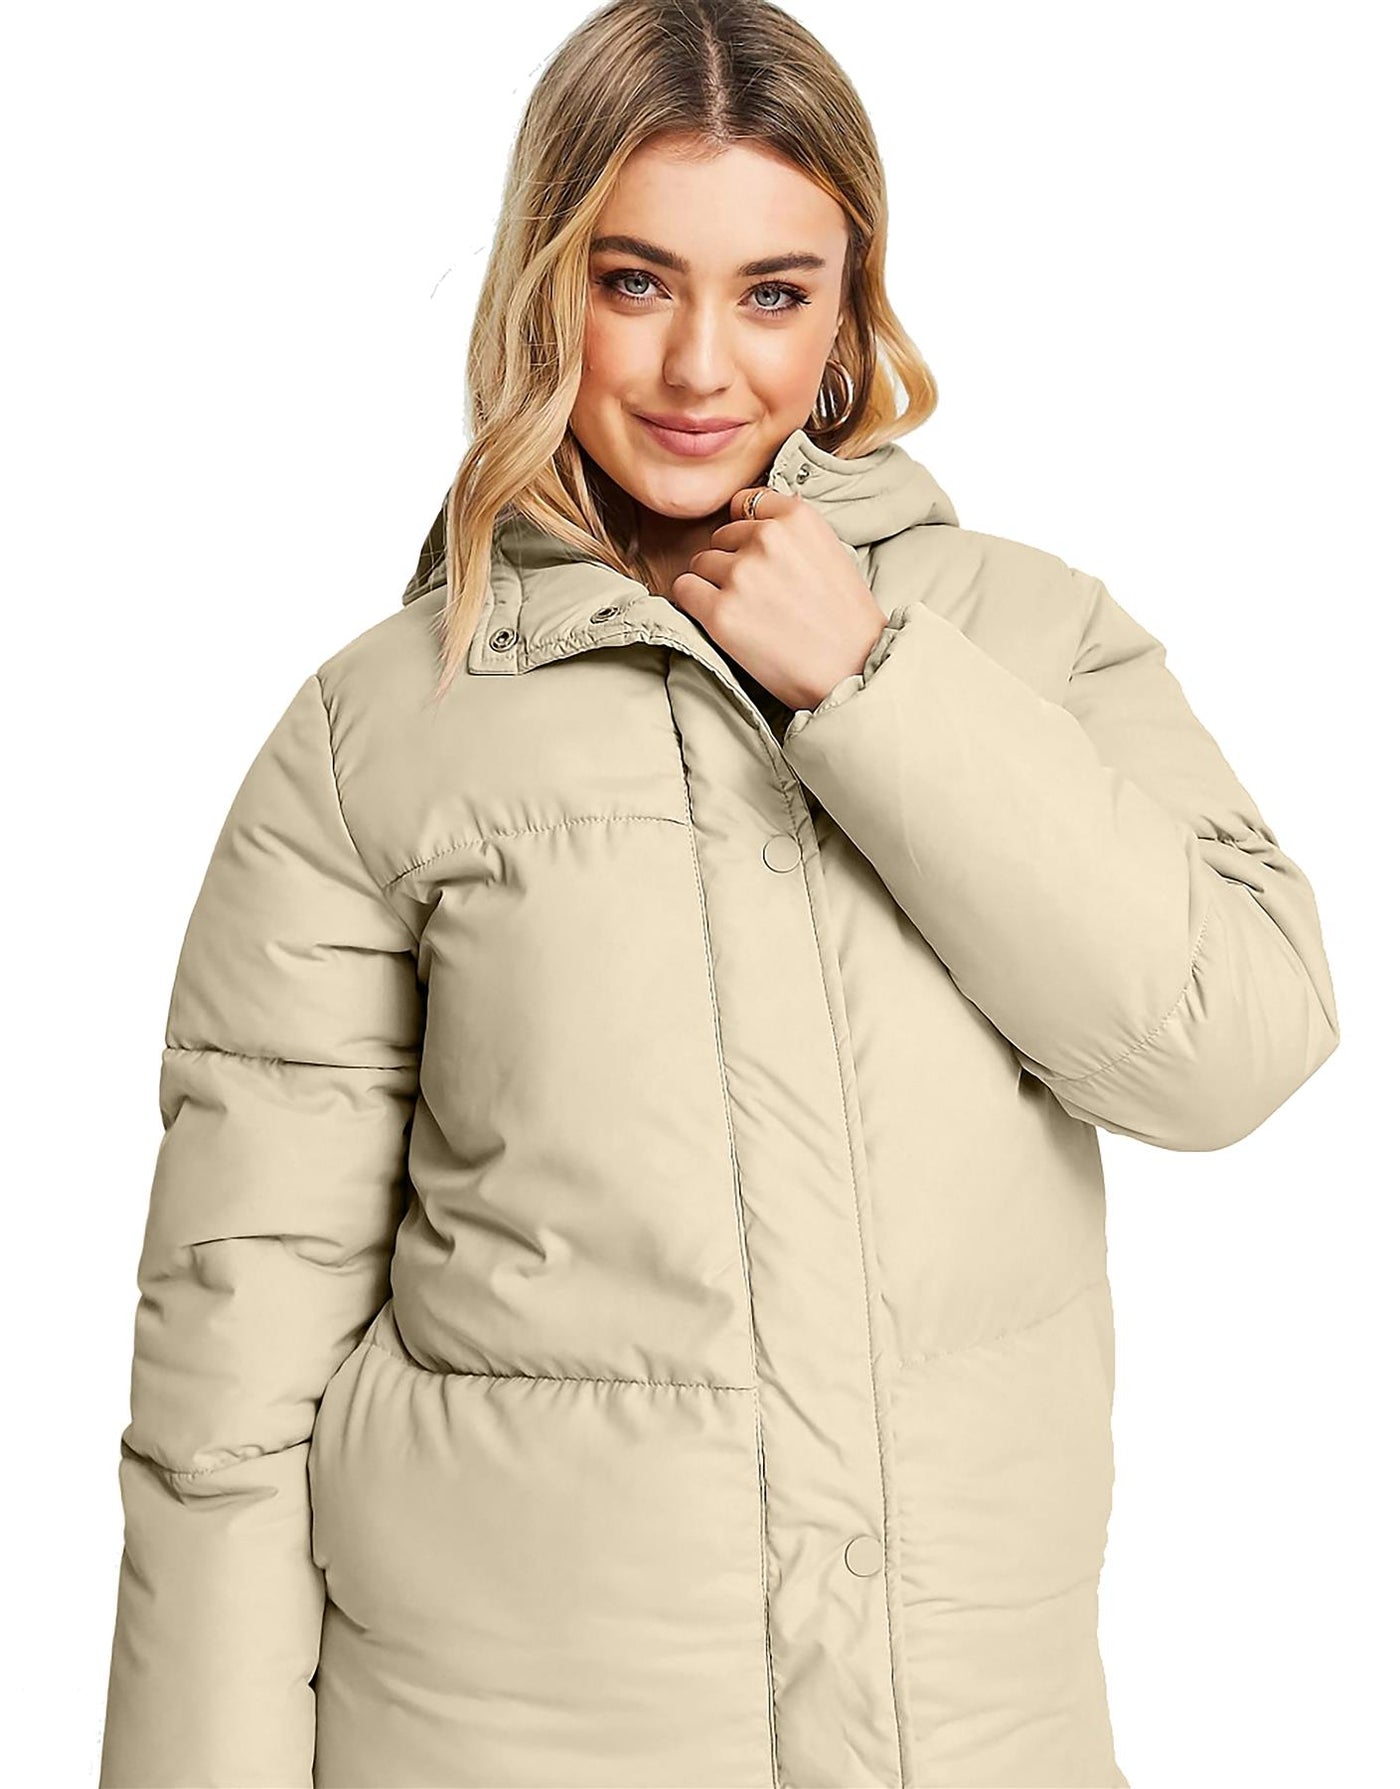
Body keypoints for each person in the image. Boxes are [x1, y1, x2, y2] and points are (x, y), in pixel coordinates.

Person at [97, 1, 1341, 1785]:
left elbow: (1236, 1040)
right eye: (635, 281)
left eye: (771, 291)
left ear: (848, 311)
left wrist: (874, 681)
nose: (700, 366)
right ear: (547, 290)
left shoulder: (1028, 637)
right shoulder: (376, 734)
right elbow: (229, 1388)